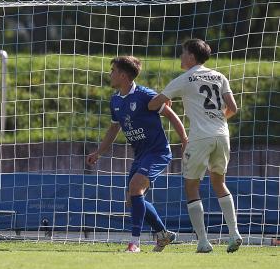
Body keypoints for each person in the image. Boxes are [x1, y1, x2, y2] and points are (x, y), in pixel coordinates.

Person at [86, 56, 189, 253]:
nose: (110, 74)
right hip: (140, 154)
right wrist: (99, 151)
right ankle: (163, 234)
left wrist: (184, 139)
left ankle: (135, 243)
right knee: (132, 200)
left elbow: (169, 113)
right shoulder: (115, 100)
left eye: (113, 71)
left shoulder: (144, 95)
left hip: (157, 152)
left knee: (135, 188)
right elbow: (114, 129)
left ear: (123, 75)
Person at [148, 39, 241, 253]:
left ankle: (203, 242)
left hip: (199, 138)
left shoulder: (185, 79)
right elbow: (233, 108)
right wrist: (215, 120)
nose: (181, 57)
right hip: (222, 135)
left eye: (183, 53)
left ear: (191, 56)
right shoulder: (219, 76)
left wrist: (165, 101)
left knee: (191, 187)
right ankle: (234, 233)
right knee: (219, 183)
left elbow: (152, 104)